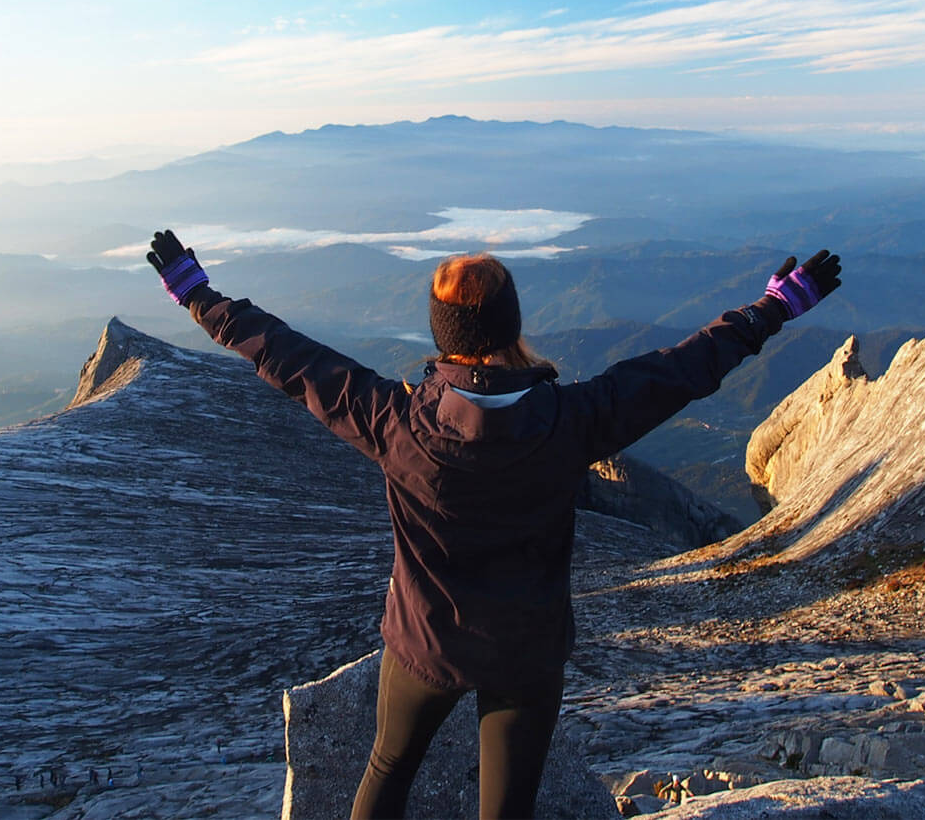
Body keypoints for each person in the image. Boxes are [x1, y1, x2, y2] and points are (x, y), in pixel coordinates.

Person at [145, 231, 840, 820]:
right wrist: (771, 309)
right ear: (511, 327)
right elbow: (681, 370)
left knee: (388, 767)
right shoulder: (573, 421)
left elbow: (289, 357)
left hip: (426, 642)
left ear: (441, 335)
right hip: (525, 653)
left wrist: (200, 296)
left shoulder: (395, 422)